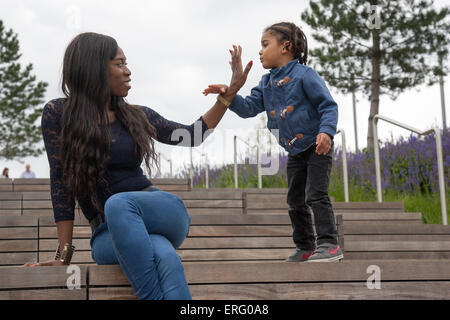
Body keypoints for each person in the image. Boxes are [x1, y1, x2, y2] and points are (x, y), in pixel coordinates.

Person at [23, 32, 251, 300]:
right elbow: (60, 182)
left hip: (159, 211)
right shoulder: (58, 114)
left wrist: (228, 95)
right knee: (165, 256)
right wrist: (63, 256)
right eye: (119, 64)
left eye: (126, 63)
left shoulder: (136, 115)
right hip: (106, 234)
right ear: (94, 67)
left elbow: (192, 135)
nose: (128, 71)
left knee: (119, 204)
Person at [203, 22, 343, 263]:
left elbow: (327, 105)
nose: (260, 51)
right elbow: (248, 108)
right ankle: (306, 247)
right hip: (295, 151)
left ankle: (329, 245)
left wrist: (327, 132)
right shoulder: (266, 84)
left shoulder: (305, 75)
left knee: (315, 194)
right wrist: (228, 93)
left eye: (265, 45)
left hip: (316, 146)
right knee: (294, 200)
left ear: (285, 47)